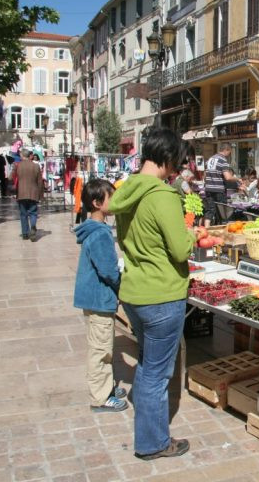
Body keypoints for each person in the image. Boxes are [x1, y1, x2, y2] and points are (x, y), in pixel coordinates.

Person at [109, 127, 195, 461]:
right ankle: (153, 443)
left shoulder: (127, 189)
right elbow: (178, 249)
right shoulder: (162, 195)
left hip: (133, 292)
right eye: (177, 162)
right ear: (168, 158)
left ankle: (150, 436)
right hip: (162, 294)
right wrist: (191, 236)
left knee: (148, 365)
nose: (177, 170)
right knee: (156, 373)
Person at [73, 179, 127, 413]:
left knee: (103, 345)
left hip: (95, 298)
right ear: (97, 203)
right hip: (99, 298)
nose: (114, 201)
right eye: (110, 197)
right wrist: (122, 283)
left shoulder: (94, 230)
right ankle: (100, 397)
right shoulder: (100, 234)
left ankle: (106, 387)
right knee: (100, 350)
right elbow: (107, 270)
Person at [11, 148, 44, 241]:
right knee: (33, 213)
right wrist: (41, 195)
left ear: (22, 156)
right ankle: (33, 226)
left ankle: (25, 233)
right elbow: (40, 182)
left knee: (23, 214)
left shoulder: (17, 165)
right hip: (33, 193)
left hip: (21, 193)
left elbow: (10, 177)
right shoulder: (36, 166)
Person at [203, 144, 237, 226]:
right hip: (219, 190)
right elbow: (228, 177)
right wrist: (237, 179)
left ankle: (206, 229)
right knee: (222, 212)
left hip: (208, 189)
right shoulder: (222, 160)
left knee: (210, 210)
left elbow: (204, 176)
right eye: (229, 152)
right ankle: (221, 231)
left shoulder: (210, 160)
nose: (229, 155)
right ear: (226, 150)